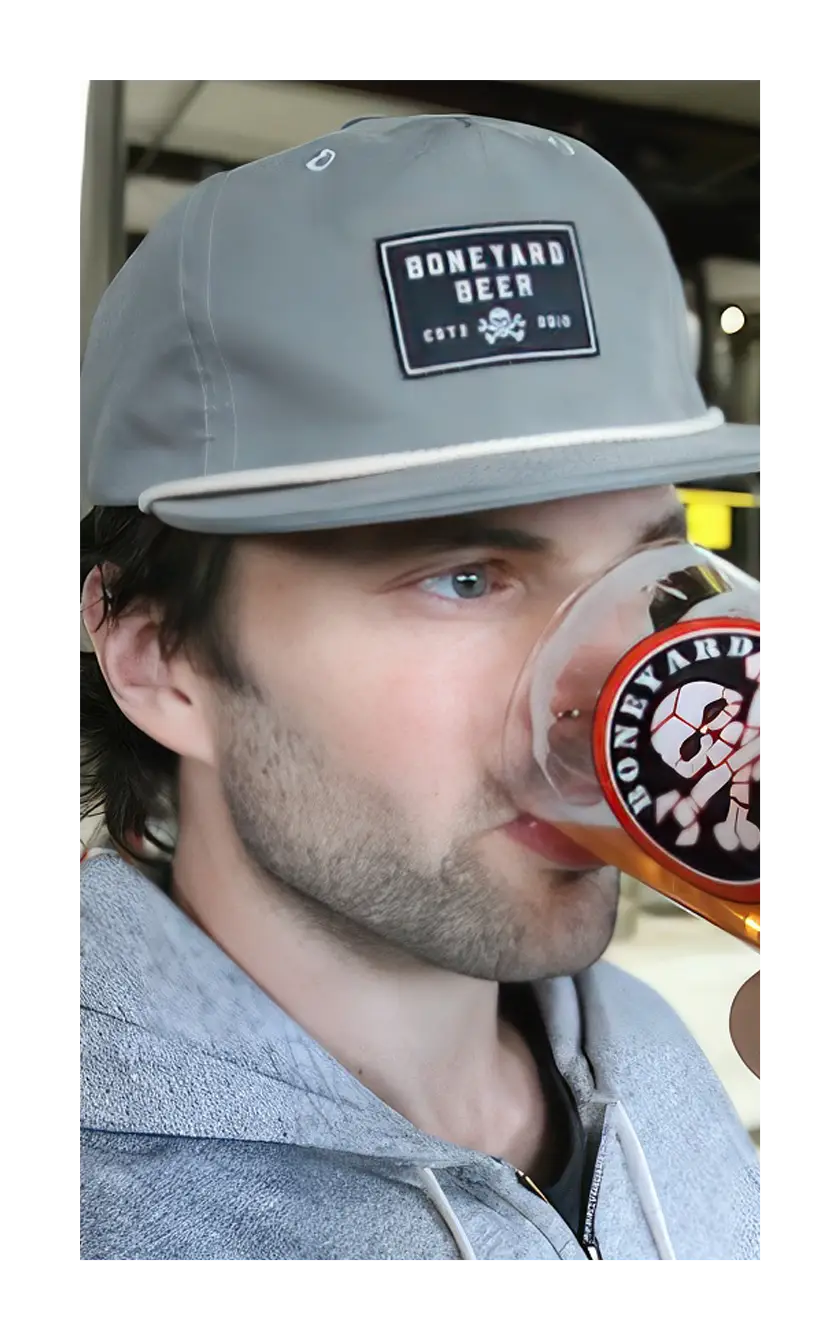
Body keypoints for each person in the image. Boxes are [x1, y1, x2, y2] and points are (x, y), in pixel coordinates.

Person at [80, 113, 765, 1264]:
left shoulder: (656, 1050)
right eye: (465, 577)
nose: (605, 694)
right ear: (158, 658)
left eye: (646, 577)